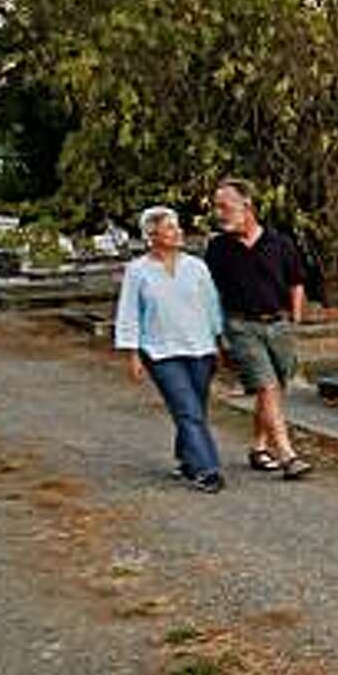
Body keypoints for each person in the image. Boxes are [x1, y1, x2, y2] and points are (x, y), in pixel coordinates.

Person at [113, 206, 226, 493]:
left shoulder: (197, 267)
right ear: (152, 235)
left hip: (200, 348)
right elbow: (129, 312)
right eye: (170, 227)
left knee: (194, 409)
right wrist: (133, 352)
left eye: (177, 226)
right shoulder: (137, 271)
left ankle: (187, 459)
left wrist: (219, 342)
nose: (179, 232)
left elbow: (212, 306)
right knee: (187, 410)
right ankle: (207, 469)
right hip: (161, 351)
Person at [205, 177, 312, 479]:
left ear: (246, 207)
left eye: (224, 206)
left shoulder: (280, 243)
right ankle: (288, 454)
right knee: (266, 386)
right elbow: (211, 294)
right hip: (241, 326)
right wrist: (218, 336)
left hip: (279, 325)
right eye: (217, 207)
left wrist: (295, 318)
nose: (219, 213)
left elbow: (296, 281)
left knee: (274, 391)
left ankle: (258, 447)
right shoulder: (218, 248)